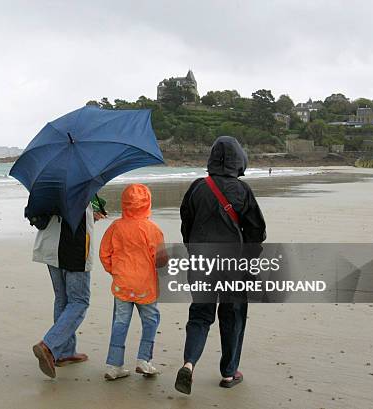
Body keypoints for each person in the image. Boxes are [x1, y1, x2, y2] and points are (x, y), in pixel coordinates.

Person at [174, 136, 266, 394]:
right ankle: (228, 373)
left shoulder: (197, 187)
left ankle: (189, 365)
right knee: (233, 315)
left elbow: (186, 226)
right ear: (239, 160)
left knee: (200, 316)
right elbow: (256, 230)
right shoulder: (242, 190)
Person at [99, 184, 168, 380]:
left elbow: (105, 254)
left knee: (120, 323)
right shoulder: (152, 229)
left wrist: (115, 272)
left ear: (124, 204)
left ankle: (114, 365)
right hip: (146, 286)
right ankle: (144, 360)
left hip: (122, 284)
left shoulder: (115, 227)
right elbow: (161, 260)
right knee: (151, 321)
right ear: (147, 203)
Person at [30, 202, 106, 379]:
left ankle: (64, 352)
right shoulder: (78, 186)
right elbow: (73, 216)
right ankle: (49, 345)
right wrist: (90, 216)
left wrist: (91, 216)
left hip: (50, 248)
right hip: (74, 249)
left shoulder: (48, 186)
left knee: (62, 300)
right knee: (79, 302)